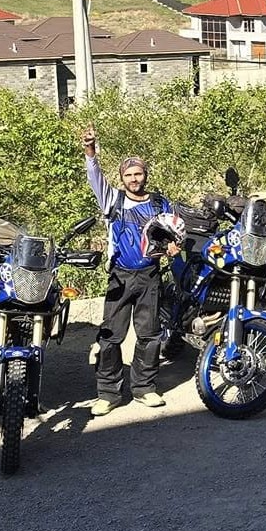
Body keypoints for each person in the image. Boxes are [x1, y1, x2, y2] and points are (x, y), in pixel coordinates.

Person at [83, 129, 179, 416]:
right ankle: (108, 393)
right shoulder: (112, 200)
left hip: (150, 275)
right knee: (111, 337)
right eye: (129, 175)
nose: (134, 179)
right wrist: (90, 152)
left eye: (138, 174)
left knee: (149, 336)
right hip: (120, 276)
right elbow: (94, 177)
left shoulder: (160, 203)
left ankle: (144, 388)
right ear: (122, 178)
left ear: (145, 175)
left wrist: (175, 248)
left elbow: (176, 233)